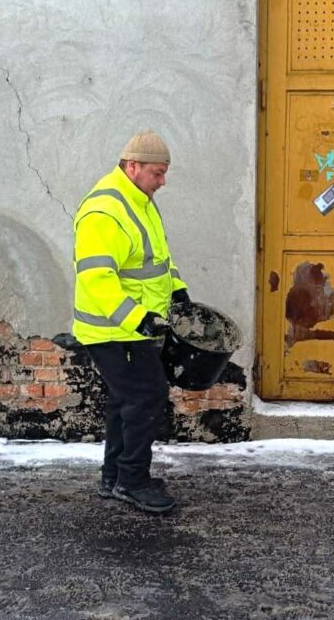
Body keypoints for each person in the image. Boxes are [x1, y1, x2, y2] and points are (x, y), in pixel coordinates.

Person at [72, 130, 191, 514]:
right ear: (133, 166)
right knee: (146, 396)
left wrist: (177, 290)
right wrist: (138, 319)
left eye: (164, 172)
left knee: (127, 400)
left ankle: (114, 477)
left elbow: (158, 258)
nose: (163, 181)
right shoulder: (104, 212)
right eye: (157, 173)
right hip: (112, 330)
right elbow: (97, 279)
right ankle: (132, 481)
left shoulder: (141, 201)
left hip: (132, 327)